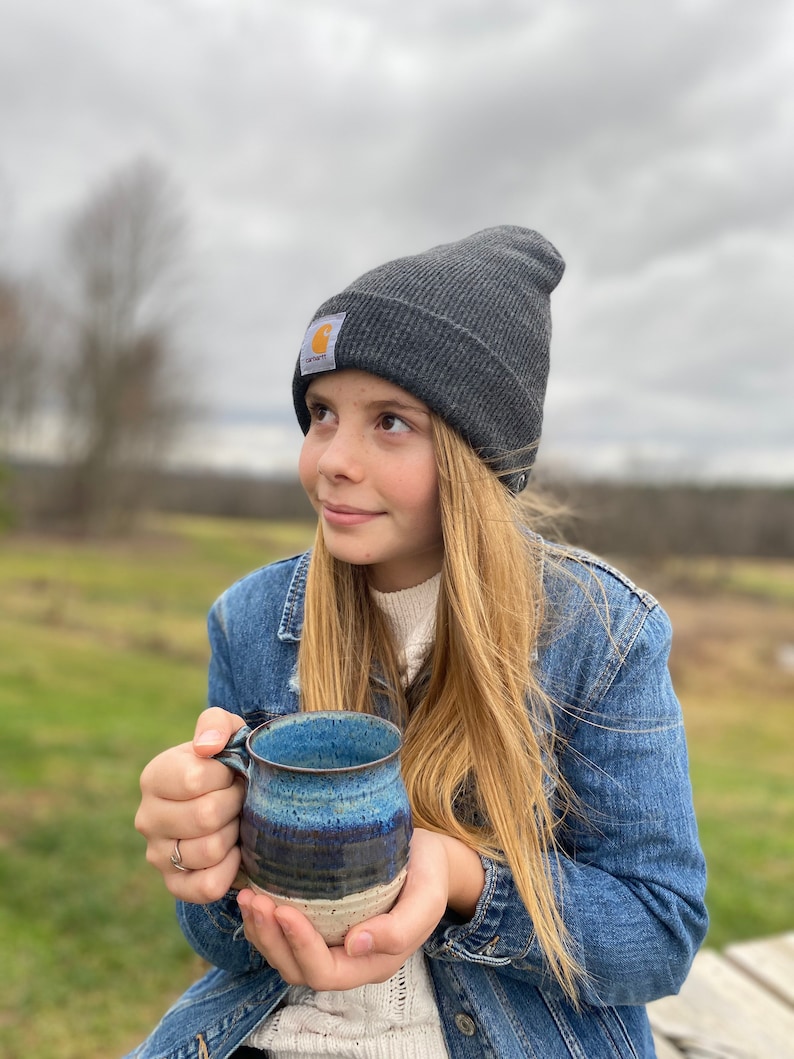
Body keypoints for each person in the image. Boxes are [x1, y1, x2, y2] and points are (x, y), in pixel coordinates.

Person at [129, 226, 708, 1059]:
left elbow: (659, 931)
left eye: (391, 422)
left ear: (477, 457)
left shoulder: (600, 633)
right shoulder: (251, 618)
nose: (332, 459)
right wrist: (203, 858)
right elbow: (220, 942)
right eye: (322, 413)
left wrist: (464, 878)